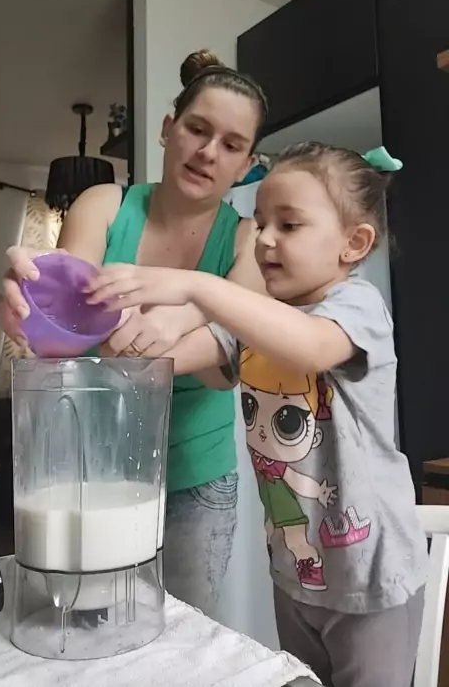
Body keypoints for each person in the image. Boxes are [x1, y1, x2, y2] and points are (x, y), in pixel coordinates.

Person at [86, 141, 428, 687]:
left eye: (289, 225)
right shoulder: (255, 319)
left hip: (371, 574)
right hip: (296, 573)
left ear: (354, 243)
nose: (265, 239)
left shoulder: (356, 306)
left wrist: (199, 286)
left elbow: (310, 346)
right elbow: (154, 361)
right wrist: (100, 317)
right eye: (262, 222)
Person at [0, 49, 268, 618]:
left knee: (186, 636)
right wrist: (25, 307)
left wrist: (157, 341)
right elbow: (63, 326)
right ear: (168, 129)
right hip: (93, 470)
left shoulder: (248, 240)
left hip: (197, 479)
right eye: (197, 129)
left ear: (246, 165)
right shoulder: (104, 203)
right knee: (86, 621)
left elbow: (226, 365)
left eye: (231, 145)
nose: (208, 152)